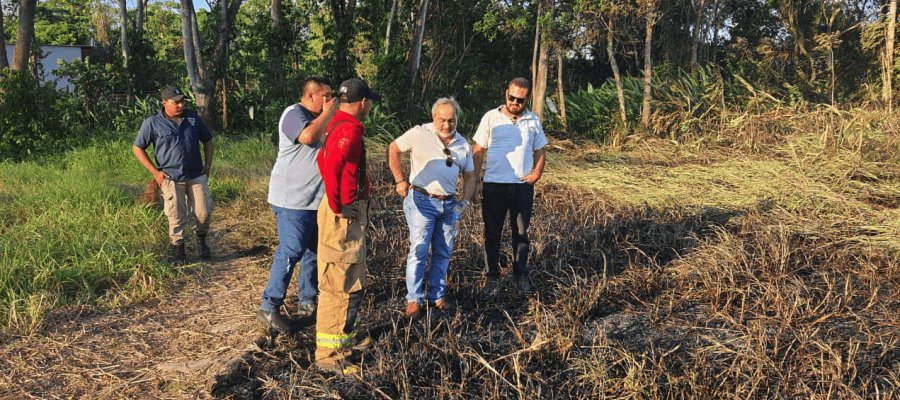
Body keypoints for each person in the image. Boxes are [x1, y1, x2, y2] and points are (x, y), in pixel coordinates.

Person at [257, 77, 339, 334]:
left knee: (313, 253)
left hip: (315, 200)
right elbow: (307, 136)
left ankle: (308, 300)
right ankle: (269, 307)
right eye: (326, 96)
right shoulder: (293, 113)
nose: (330, 100)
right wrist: (328, 113)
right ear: (312, 95)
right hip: (291, 200)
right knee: (291, 250)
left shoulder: (322, 117)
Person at [314, 78, 380, 374]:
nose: (368, 107)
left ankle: (344, 340)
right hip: (342, 215)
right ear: (363, 102)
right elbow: (331, 167)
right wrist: (341, 205)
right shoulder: (349, 129)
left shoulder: (336, 123)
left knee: (349, 275)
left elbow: (320, 158)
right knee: (339, 282)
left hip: (344, 210)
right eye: (369, 103)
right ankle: (331, 357)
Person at [388, 97, 475, 320]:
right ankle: (413, 299)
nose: (447, 126)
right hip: (421, 201)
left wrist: (464, 202)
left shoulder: (463, 144)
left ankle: (436, 295)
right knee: (418, 250)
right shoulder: (419, 133)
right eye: (442, 120)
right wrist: (399, 179)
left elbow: (469, 175)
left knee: (443, 251)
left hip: (448, 204)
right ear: (433, 117)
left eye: (452, 121)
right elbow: (394, 149)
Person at [472, 77, 547, 296]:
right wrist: (476, 181)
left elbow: (540, 150)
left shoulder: (533, 120)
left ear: (527, 99)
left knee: (521, 233)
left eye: (520, 100)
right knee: (492, 233)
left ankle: (520, 274)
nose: (515, 102)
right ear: (506, 93)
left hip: (522, 187)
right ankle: (492, 277)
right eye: (511, 97)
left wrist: (536, 174)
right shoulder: (490, 117)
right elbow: (478, 151)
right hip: (494, 185)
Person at [133, 86, 214, 266]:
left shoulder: (192, 118)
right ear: (164, 103)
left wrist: (207, 165)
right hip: (170, 177)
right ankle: (179, 250)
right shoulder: (152, 122)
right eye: (175, 102)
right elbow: (137, 148)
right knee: (175, 215)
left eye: (182, 101)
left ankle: (202, 242)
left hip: (195, 175)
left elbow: (208, 140)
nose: (180, 105)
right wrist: (155, 172)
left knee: (203, 212)